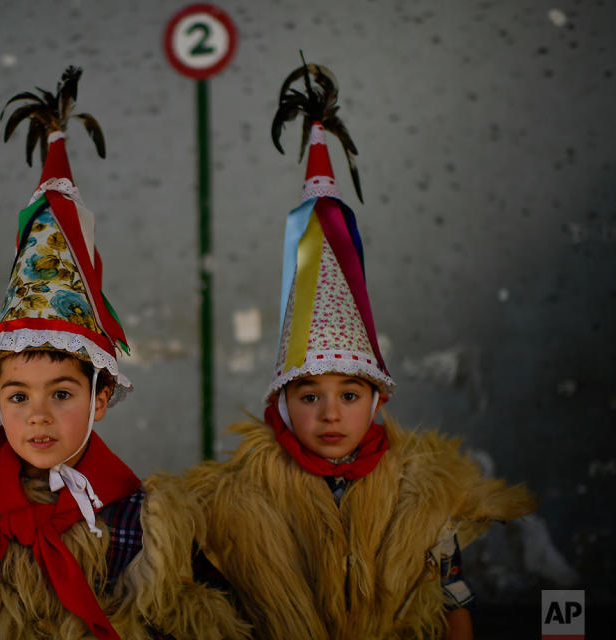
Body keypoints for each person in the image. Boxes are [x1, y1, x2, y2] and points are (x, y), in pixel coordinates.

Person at [0, 67, 249, 640]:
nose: (38, 416)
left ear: (101, 399)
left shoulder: (140, 523)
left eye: (63, 393)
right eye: (17, 395)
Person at [184, 61, 536, 640]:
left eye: (349, 394)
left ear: (376, 400)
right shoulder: (235, 504)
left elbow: (454, 601)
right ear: (280, 401)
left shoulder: (424, 493)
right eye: (309, 394)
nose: (329, 413)